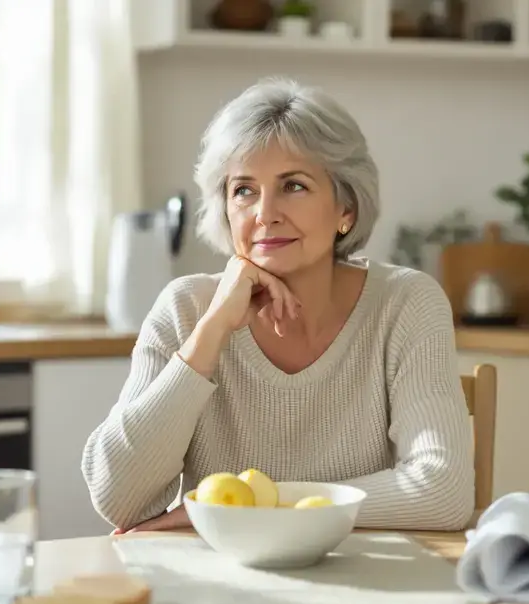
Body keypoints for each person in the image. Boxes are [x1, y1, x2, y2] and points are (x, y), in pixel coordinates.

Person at [81, 77, 475, 534]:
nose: (264, 213)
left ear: (345, 208)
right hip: (220, 587)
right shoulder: (186, 309)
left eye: (293, 186)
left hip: (368, 581)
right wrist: (210, 334)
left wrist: (258, 510)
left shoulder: (406, 303)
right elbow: (118, 500)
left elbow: (443, 493)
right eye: (243, 190)